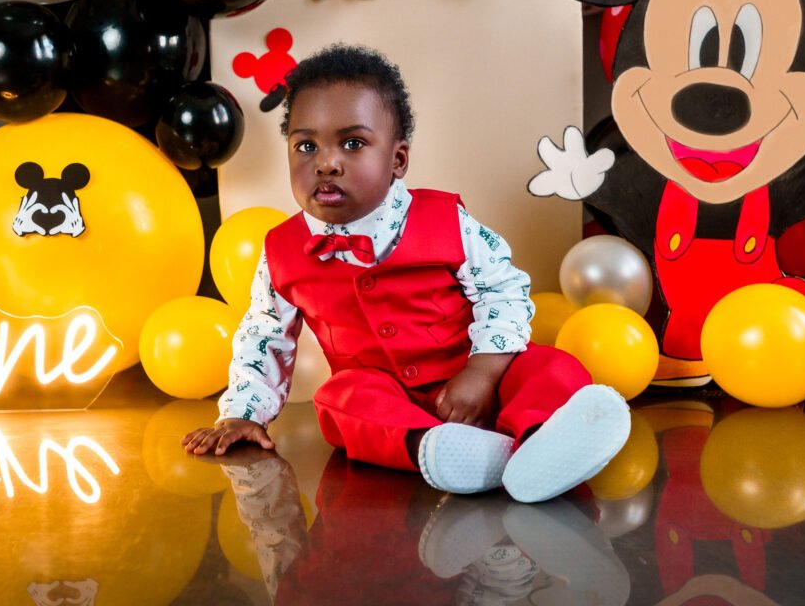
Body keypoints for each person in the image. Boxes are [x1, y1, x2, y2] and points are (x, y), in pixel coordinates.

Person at [182, 43, 630, 503]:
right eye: (306, 145)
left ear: (397, 160)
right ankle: (438, 450)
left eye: (352, 143)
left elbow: (504, 288)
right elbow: (264, 336)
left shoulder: (446, 221)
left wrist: (482, 373)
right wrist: (244, 413)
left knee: (552, 365)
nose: (326, 162)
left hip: (481, 383)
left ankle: (540, 441)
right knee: (342, 399)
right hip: (386, 404)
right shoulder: (281, 250)